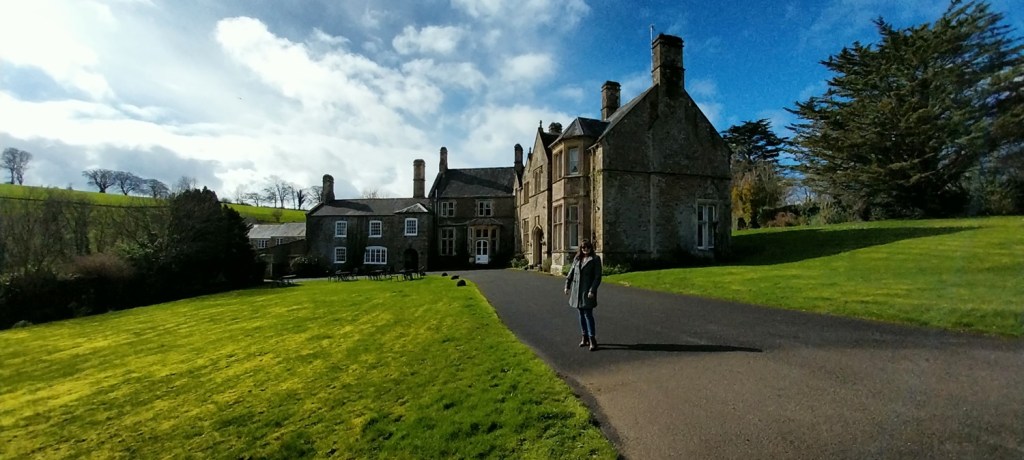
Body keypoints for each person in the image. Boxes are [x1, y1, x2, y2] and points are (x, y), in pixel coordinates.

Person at [564, 239, 602, 351]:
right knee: (581, 314)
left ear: (591, 248)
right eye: (583, 247)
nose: (585, 249)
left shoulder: (595, 259)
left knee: (588, 314)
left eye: (588, 247)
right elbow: (571, 273)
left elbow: (597, 277)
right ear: (580, 248)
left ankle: (592, 339)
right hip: (577, 291)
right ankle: (584, 337)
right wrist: (567, 286)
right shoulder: (577, 259)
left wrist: (592, 290)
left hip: (587, 291)